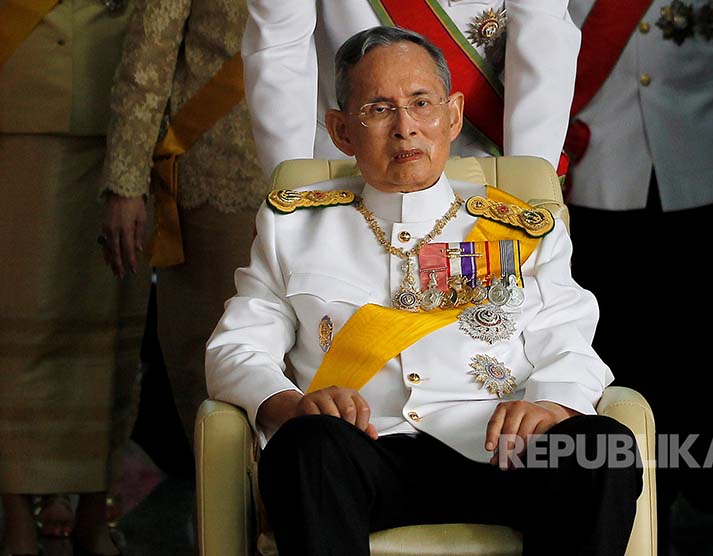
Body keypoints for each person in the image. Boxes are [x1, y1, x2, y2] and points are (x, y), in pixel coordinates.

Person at [206, 26, 641, 556]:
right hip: (365, 455)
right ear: (342, 130)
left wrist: (552, 404)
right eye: (379, 110)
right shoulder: (293, 227)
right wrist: (288, 405)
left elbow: (571, 343)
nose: (406, 129)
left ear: (453, 116)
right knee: (306, 447)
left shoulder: (521, 229)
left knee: (603, 446)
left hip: (498, 451)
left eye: (421, 104)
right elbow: (234, 347)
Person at [563, 0, 713, 552]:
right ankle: (643, 492)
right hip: (600, 174)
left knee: (706, 342)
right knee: (617, 348)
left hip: (702, 169)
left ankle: (697, 441)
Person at [0, 1, 148, 555]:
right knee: (19, 329)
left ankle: (92, 506)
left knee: (110, 332)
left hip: (128, 116)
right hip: (20, 101)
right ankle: (16, 511)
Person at [99, 0, 265, 450]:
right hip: (221, 175)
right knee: (214, 365)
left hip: (340, 169)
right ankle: (220, 513)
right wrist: (126, 183)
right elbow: (148, 55)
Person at [242, 0, 580, 177]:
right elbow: (279, 50)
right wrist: (291, 185)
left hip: (483, 163)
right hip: (352, 162)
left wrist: (527, 182)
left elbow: (543, 40)